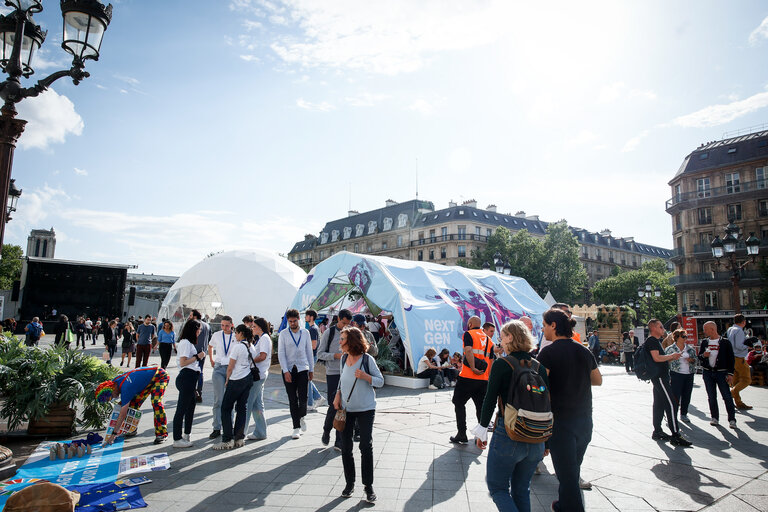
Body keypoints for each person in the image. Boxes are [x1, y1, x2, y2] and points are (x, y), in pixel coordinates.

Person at [470, 320, 549, 511]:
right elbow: (548, 402)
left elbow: (489, 399)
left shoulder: (502, 364)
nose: (500, 340)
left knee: (498, 488)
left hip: (509, 433)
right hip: (537, 436)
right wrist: (547, 441)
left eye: (503, 336)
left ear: (511, 337)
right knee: (522, 490)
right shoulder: (539, 366)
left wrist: (482, 430)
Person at [537, 308, 602, 512]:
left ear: (553, 326)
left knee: (568, 476)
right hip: (584, 420)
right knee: (571, 472)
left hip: (561, 422)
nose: (543, 328)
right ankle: (562, 504)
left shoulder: (547, 352)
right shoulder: (583, 350)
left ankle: (570, 508)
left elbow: (541, 387)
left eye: (545, 325)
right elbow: (597, 380)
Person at [335, 326, 383, 504]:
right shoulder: (344, 359)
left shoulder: (367, 359)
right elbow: (341, 380)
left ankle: (368, 487)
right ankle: (350, 484)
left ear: (351, 341)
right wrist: (337, 395)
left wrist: (366, 376)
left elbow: (380, 381)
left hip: (366, 409)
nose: (340, 342)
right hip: (346, 409)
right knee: (346, 448)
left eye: (342, 339)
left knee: (365, 446)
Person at [96, 365, 170, 446]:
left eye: (111, 397)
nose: (113, 399)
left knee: (156, 402)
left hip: (160, 375)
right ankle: (132, 429)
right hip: (146, 382)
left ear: (112, 390)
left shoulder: (126, 389)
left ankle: (161, 433)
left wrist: (113, 434)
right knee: (132, 405)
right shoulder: (114, 383)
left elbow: (122, 415)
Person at [645, 319, 692, 446]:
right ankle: (675, 434)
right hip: (659, 377)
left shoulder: (656, 341)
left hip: (660, 376)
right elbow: (656, 358)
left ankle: (658, 431)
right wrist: (672, 356)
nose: (663, 329)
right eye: (660, 327)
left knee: (659, 404)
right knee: (672, 404)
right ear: (653, 328)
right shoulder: (652, 341)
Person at [450, 316, 492, 445]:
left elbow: (468, 350)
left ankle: (461, 433)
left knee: (458, 402)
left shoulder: (469, 334)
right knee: (481, 407)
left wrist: (473, 367)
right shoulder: (488, 339)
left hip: (468, 377)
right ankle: (481, 437)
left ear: (469, 324)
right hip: (483, 379)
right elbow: (491, 360)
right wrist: (487, 376)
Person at [214, 324, 257, 450]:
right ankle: (239, 438)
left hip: (236, 379)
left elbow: (230, 366)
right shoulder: (251, 346)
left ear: (241, 333)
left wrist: (227, 379)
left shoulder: (237, 347)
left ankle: (227, 439)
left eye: (236, 333)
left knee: (226, 408)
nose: (235, 335)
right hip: (247, 379)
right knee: (241, 408)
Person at [317, 308, 352, 450]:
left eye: (348, 324)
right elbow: (320, 353)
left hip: (347, 373)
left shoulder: (350, 333)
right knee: (334, 405)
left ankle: (339, 440)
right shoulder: (329, 332)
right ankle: (326, 430)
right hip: (332, 373)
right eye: (343, 323)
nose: (345, 326)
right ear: (338, 319)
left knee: (343, 406)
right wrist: (334, 356)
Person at [278, 308, 314, 440]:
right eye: (290, 321)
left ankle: (301, 415)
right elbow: (281, 353)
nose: (292, 323)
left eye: (294, 321)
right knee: (292, 399)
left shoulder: (305, 333)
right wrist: (285, 370)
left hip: (303, 368)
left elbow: (309, 352)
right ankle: (296, 427)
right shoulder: (283, 334)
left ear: (299, 319)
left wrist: (311, 369)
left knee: (303, 398)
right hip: (289, 369)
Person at [172, 319, 206, 448]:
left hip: (191, 378)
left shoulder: (188, 342)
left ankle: (186, 434)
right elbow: (183, 362)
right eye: (198, 329)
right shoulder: (185, 342)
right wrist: (198, 356)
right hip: (187, 376)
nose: (199, 332)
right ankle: (177, 438)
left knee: (190, 407)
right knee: (181, 408)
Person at [699, 321, 737, 429]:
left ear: (712, 329)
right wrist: (704, 355)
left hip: (721, 372)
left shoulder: (725, 342)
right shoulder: (705, 342)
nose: (704, 331)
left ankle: (732, 419)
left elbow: (731, 359)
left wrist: (730, 373)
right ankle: (714, 417)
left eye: (705, 329)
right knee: (711, 396)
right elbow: (700, 357)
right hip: (708, 372)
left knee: (727, 396)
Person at [208, 315, 236, 440]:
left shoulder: (236, 336)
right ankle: (216, 427)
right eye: (222, 325)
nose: (224, 328)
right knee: (218, 399)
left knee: (229, 400)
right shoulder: (217, 335)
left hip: (232, 368)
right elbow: (210, 346)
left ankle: (229, 426)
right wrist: (211, 360)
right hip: (219, 368)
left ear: (232, 325)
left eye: (227, 325)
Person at [245, 317, 272, 440]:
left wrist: (248, 360)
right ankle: (260, 432)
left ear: (260, 327)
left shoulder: (264, 339)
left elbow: (262, 356)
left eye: (254, 326)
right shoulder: (263, 338)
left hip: (258, 375)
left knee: (248, 403)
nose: (252, 328)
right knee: (257, 405)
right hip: (260, 374)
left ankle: (241, 432)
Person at [665, 328, 697, 423]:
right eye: (683, 336)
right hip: (676, 374)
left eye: (686, 336)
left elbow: (695, 360)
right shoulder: (670, 349)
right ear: (677, 337)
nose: (685, 338)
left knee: (687, 395)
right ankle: (672, 413)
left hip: (689, 374)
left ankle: (684, 414)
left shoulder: (690, 348)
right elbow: (665, 362)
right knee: (675, 395)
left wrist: (691, 360)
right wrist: (673, 357)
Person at [726, 314, 752, 410]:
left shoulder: (731, 329)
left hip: (732, 357)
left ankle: (739, 403)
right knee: (746, 379)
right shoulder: (739, 331)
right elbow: (738, 345)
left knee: (736, 381)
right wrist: (748, 347)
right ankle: (731, 394)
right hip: (739, 357)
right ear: (743, 322)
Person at [305, 309, 326, 412]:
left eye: (307, 315)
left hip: (311, 355)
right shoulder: (313, 328)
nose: (305, 317)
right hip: (312, 356)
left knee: (307, 379)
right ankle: (317, 397)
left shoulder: (313, 329)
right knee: (307, 378)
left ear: (311, 317)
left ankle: (310, 403)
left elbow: (313, 345)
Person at [190, 310, 211, 403]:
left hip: (194, 350)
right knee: (200, 372)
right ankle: (199, 391)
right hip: (203, 351)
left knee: (192, 371)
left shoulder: (195, 324)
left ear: (195, 316)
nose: (189, 317)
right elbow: (209, 338)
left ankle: (193, 392)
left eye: (191, 315)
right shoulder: (207, 325)